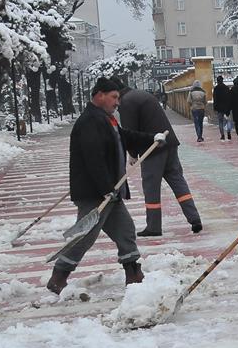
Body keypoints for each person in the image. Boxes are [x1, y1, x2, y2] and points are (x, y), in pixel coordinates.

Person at [45, 77, 166, 295]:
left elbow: (125, 137)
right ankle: (59, 276)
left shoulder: (107, 120)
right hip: (97, 193)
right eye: (114, 97)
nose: (117, 102)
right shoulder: (90, 121)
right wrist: (105, 188)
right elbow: (94, 159)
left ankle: (133, 273)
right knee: (85, 236)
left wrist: (152, 139)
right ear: (99, 95)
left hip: (110, 192)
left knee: (125, 230)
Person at [117, 77, 203, 237]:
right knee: (178, 181)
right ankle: (194, 218)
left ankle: (154, 227)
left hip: (153, 148)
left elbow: (129, 130)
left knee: (151, 187)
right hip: (169, 142)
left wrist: (132, 153)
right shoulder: (141, 94)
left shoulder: (126, 102)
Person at [213, 75, 233, 141]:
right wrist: (229, 107)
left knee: (220, 122)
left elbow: (215, 99)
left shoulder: (216, 89)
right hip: (226, 108)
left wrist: (215, 107)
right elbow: (229, 98)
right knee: (228, 120)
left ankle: (222, 135)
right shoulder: (226, 88)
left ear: (217, 81)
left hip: (219, 108)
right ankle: (228, 132)